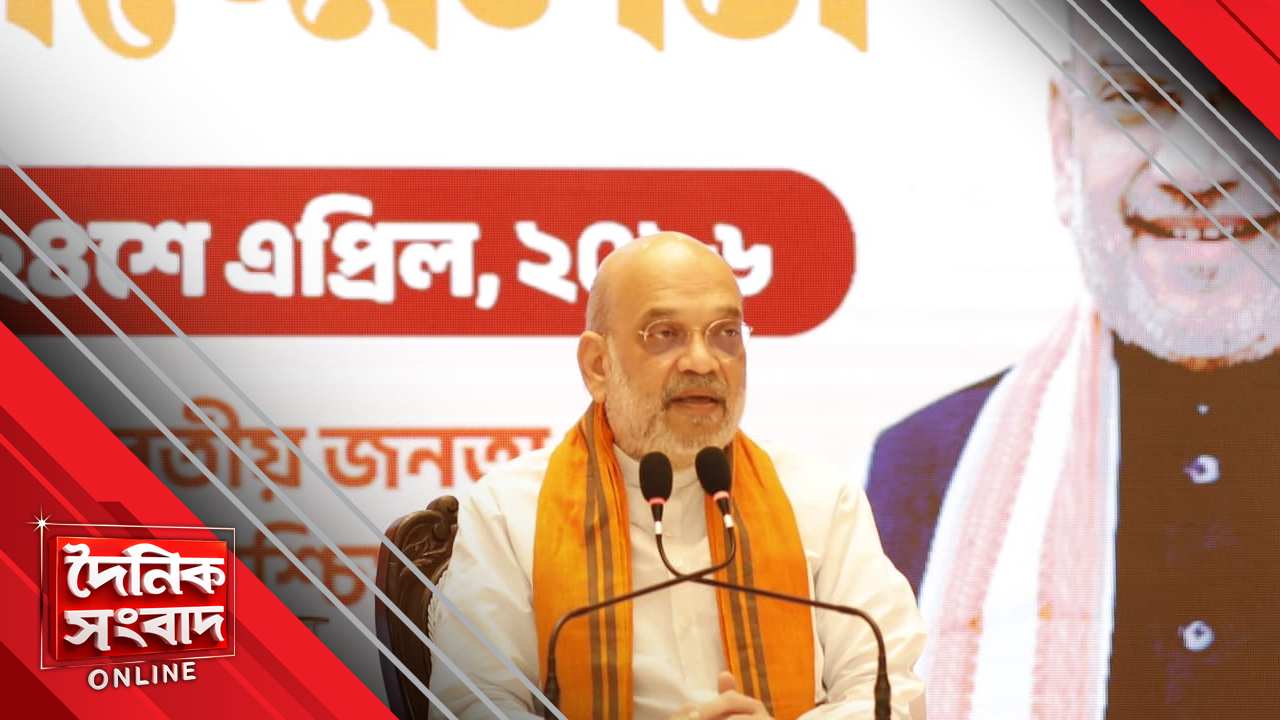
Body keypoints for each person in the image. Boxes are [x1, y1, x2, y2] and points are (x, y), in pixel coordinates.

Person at [865, 1, 1280, 718]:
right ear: (1065, 141)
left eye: (1251, 96)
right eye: (1137, 98)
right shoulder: (923, 468)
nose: (1196, 170)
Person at [428, 232, 926, 720]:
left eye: (725, 334)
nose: (703, 361)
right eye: (665, 334)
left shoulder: (819, 500)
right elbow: (472, 701)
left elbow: (890, 688)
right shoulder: (510, 511)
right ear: (598, 366)